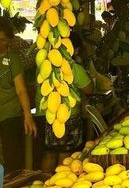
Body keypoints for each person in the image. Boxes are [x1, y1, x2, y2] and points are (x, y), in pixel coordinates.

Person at [35, 32, 93, 160]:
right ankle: (59, 179)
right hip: (66, 117)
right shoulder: (72, 67)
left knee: (49, 154)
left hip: (45, 116)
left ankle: (46, 179)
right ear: (73, 49)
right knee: (65, 155)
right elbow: (89, 89)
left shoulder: (44, 64)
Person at [0, 17, 37, 173]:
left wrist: (27, 115)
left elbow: (21, 89)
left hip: (10, 115)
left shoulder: (12, 58)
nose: (0, 44)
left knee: (12, 159)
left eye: (3, 40)